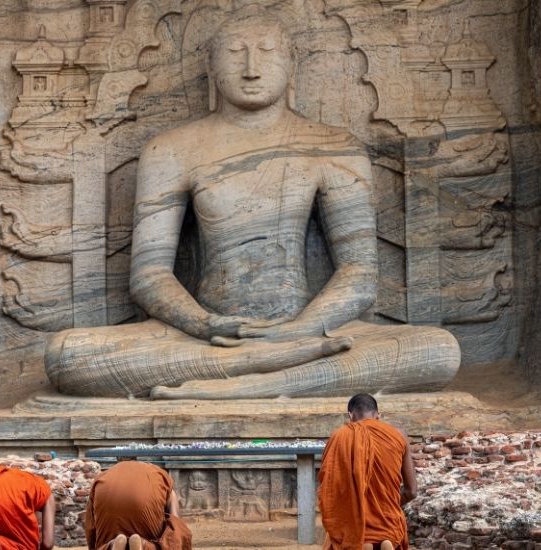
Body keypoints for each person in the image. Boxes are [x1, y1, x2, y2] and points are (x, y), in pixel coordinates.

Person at [44, 6, 460, 400]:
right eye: (234, 53)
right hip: (205, 337)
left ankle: (243, 383)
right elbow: (149, 276)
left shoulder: (334, 147)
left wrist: (300, 329)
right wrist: (204, 324)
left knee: (436, 350)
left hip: (309, 330)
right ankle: (280, 373)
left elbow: (360, 273)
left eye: (267, 52)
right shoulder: (171, 149)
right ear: (211, 68)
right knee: (68, 354)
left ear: (292, 64)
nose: (251, 68)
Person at [318, 394, 418, 550]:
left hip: (354, 524)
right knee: (388, 526)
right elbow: (411, 491)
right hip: (388, 521)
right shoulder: (398, 435)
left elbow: (331, 490)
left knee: (341, 535)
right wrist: (385, 505)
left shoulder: (339, 437)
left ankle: (366, 541)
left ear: (350, 415)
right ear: (378, 415)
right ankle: (384, 539)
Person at [84, 460, 192, 550]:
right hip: (145, 502)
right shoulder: (159, 474)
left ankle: (111, 545)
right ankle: (144, 544)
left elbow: (90, 525)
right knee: (172, 536)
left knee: (105, 541)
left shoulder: (103, 476)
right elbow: (175, 521)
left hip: (105, 494)